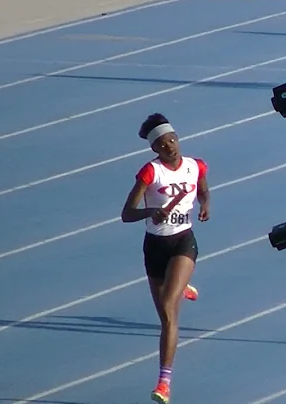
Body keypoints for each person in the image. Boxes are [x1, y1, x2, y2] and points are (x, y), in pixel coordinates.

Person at [120, 113, 210, 403]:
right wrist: (151, 212)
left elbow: (204, 192)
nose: (170, 145)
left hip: (183, 241)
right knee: (164, 313)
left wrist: (205, 205)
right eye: (163, 143)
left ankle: (163, 383)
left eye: (172, 139)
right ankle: (180, 284)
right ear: (154, 149)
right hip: (155, 247)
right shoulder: (150, 172)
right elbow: (127, 214)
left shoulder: (195, 166)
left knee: (170, 311)